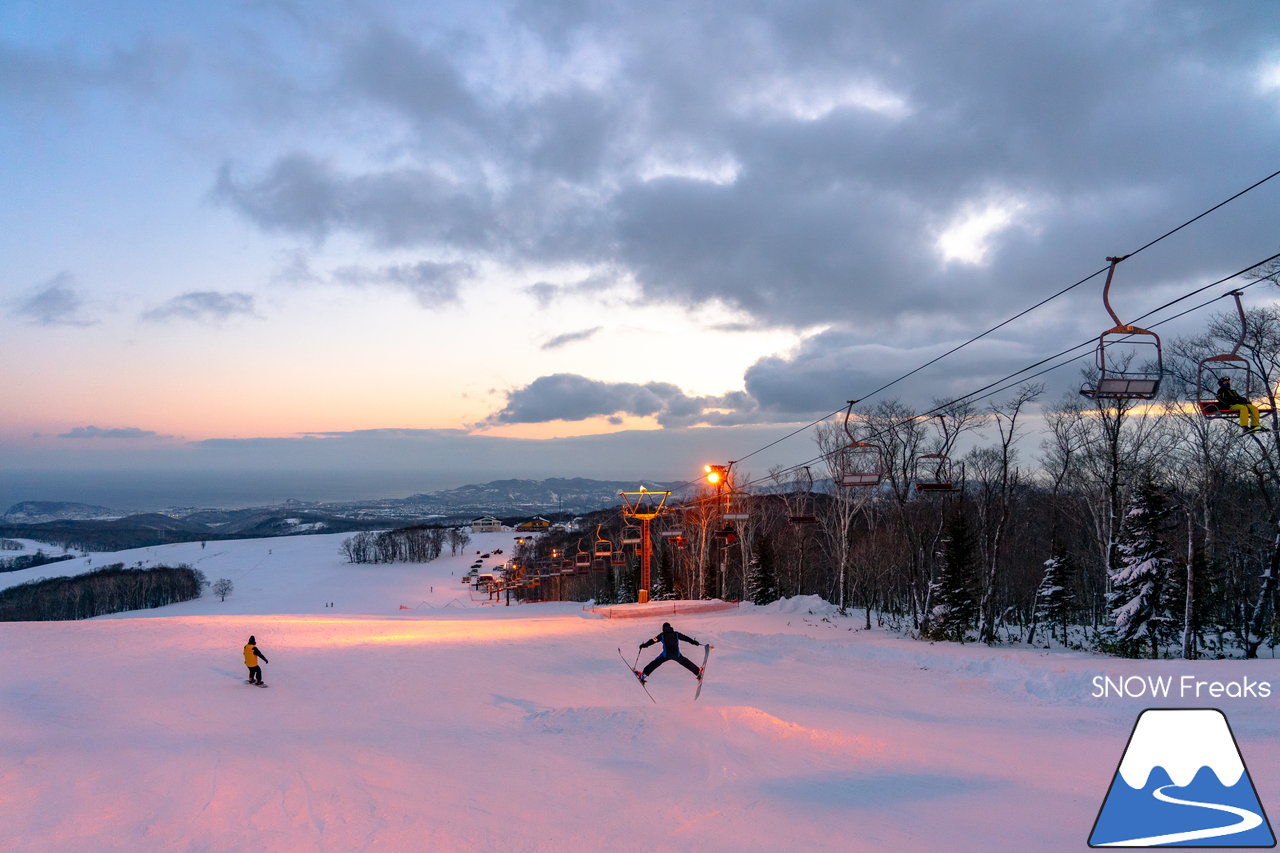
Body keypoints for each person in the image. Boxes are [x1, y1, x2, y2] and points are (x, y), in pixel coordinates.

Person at [636, 622, 704, 683]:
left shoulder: (662, 635)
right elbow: (686, 638)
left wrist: (645, 645)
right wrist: (693, 642)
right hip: (676, 655)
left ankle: (643, 675)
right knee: (685, 662)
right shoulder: (676, 634)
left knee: (655, 663)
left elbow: (653, 641)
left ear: (663, 628)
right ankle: (698, 672)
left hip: (666, 655)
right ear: (670, 627)